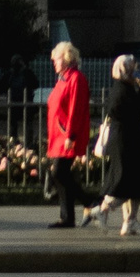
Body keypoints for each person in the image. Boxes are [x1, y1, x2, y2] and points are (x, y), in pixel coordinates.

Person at [90, 53, 140, 236]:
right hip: (126, 142)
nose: (135, 72)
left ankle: (130, 221)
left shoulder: (122, 88)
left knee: (133, 184)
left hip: (126, 140)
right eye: (132, 68)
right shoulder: (124, 91)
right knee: (126, 184)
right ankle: (103, 210)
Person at [44, 41, 96, 230]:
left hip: (67, 136)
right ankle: (70, 215)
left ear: (66, 59)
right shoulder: (64, 78)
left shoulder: (75, 79)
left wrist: (71, 136)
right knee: (61, 174)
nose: (54, 63)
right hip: (60, 135)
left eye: (56, 59)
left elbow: (76, 108)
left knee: (59, 173)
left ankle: (88, 202)